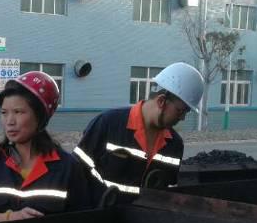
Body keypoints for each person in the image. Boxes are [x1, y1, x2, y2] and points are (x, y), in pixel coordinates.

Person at [0, 71, 89, 223]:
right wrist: (10, 217)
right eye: (4, 113)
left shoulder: (68, 167)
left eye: (18, 112)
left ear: (40, 116)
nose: (9, 121)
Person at [73, 62, 204, 201]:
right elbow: (76, 172)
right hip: (100, 212)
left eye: (186, 112)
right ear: (161, 101)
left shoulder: (175, 145)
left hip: (146, 215)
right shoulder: (108, 124)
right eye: (180, 111)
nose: (182, 118)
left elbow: (167, 191)